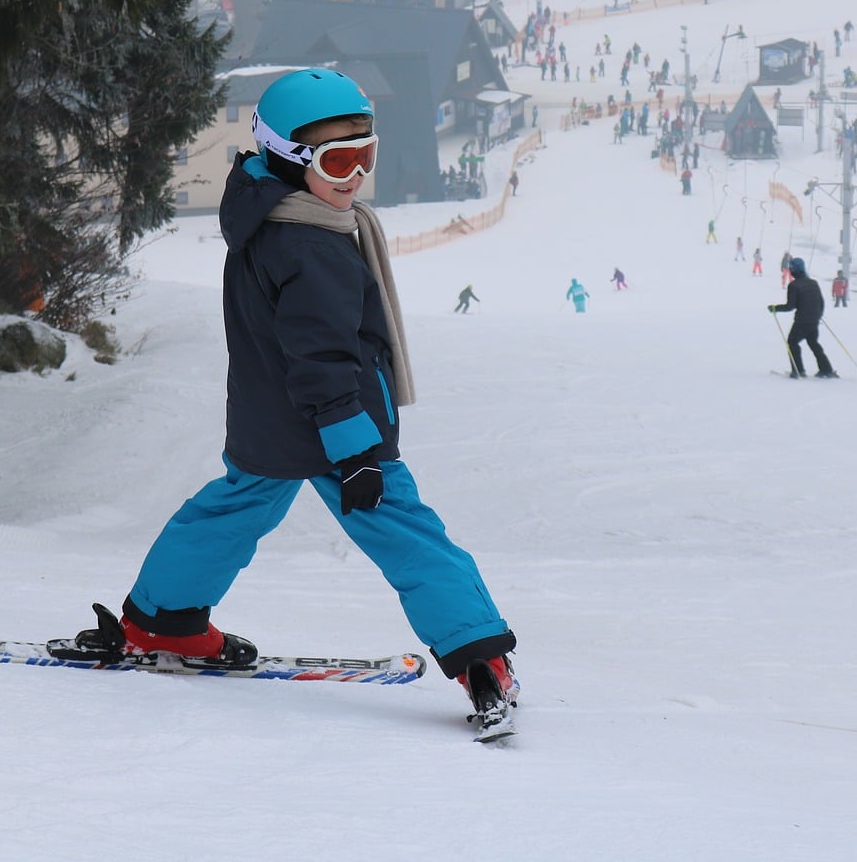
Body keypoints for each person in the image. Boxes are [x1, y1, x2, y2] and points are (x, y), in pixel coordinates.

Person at [51, 68, 516, 721]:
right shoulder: (310, 242)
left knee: (231, 512)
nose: (355, 174)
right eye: (338, 159)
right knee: (407, 533)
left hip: (269, 416)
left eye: (366, 154)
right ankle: (479, 655)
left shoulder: (266, 213)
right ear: (291, 158)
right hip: (336, 423)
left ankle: (164, 621)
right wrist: (354, 450)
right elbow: (323, 356)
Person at [768, 258, 836, 378]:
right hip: (814, 319)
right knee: (813, 343)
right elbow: (821, 302)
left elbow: (790, 306)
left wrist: (775, 308)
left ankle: (798, 371)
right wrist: (818, 315)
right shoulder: (813, 283)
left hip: (802, 321)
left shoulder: (793, 286)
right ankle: (826, 369)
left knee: (792, 342)